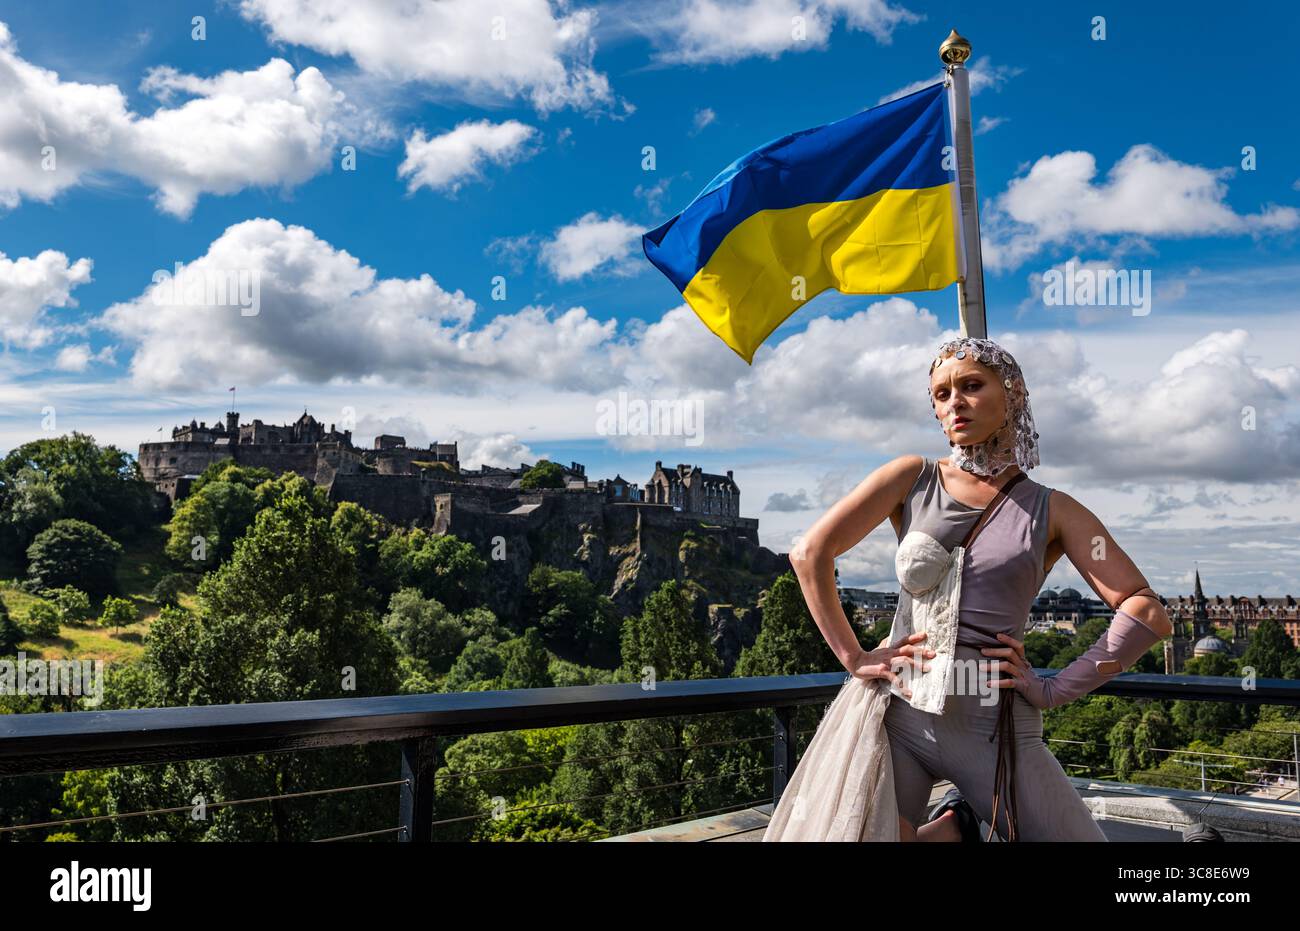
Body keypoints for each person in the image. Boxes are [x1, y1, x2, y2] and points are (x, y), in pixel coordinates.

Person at [788, 336, 1174, 841]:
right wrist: (853, 656)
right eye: (942, 394)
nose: (955, 404)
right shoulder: (911, 478)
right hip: (899, 717)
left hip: (996, 731)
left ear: (1012, 394)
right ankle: (957, 830)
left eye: (971, 386)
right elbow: (808, 553)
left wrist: (1056, 689)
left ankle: (958, 829)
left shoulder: (1053, 510)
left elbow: (1146, 613)